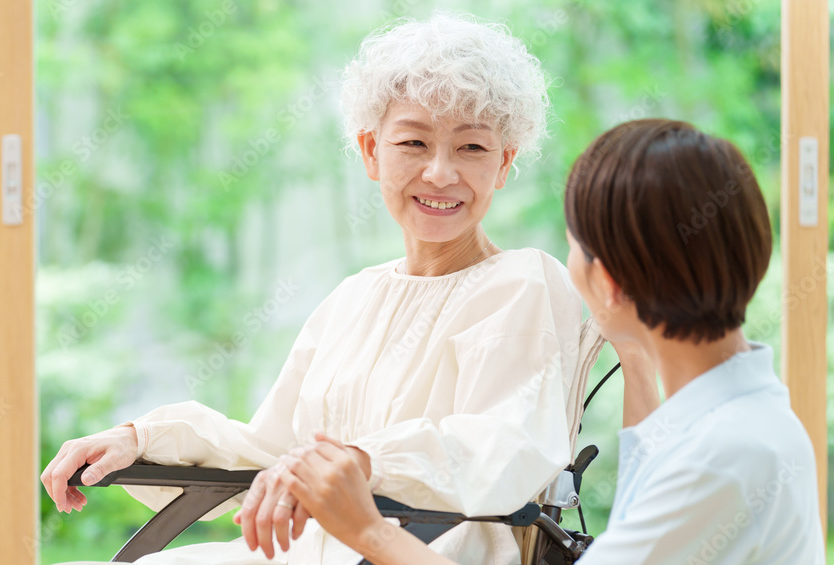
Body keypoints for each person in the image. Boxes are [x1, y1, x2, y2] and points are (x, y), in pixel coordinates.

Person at [43, 13, 599, 565]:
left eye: (472, 149)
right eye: (412, 142)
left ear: (504, 164)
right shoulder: (354, 298)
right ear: (370, 152)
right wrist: (142, 439)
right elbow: (272, 449)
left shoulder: (523, 280)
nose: (438, 173)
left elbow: (505, 445)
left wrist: (356, 461)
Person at [277, 119, 826, 564]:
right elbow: (645, 488)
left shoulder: (724, 458)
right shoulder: (741, 421)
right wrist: (632, 355)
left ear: (607, 281)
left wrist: (369, 531)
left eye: (575, 246)